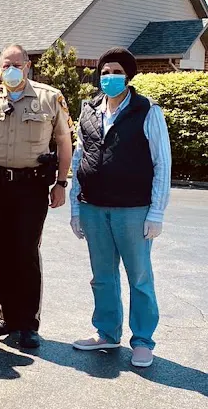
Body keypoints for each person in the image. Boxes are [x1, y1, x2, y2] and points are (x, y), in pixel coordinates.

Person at [0, 44, 73, 349]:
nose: (10, 70)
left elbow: (65, 143)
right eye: (4, 65)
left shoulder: (50, 98)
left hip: (31, 187)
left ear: (27, 65)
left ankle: (28, 323)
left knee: (25, 252)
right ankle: (6, 315)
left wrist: (61, 183)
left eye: (16, 64)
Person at [70, 47, 171, 369]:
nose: (109, 77)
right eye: (104, 72)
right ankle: (106, 332)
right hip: (94, 207)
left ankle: (142, 341)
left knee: (139, 277)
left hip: (133, 209)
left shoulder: (147, 110)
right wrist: (75, 206)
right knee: (102, 276)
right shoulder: (88, 110)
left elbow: (162, 163)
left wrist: (156, 213)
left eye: (115, 72)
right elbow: (78, 158)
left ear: (128, 76)